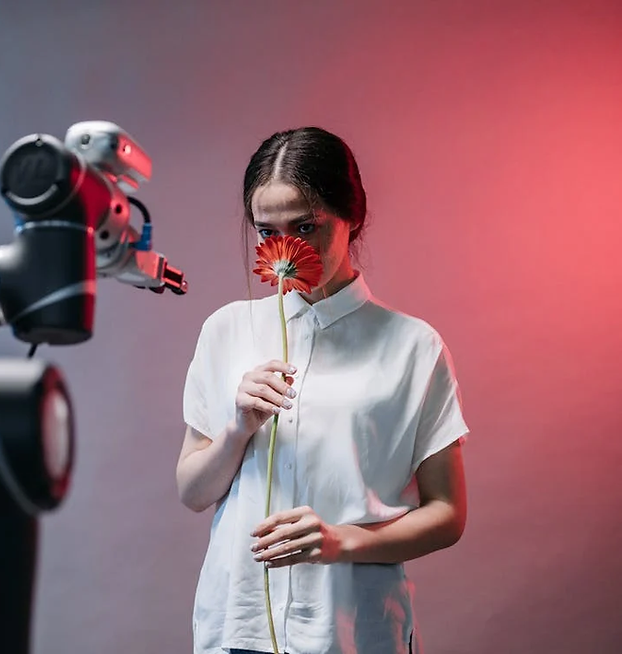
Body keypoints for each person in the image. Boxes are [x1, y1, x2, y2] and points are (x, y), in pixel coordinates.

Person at [176, 127, 468, 654]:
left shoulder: (413, 346)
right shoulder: (225, 330)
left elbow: (447, 512)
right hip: (236, 627)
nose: (285, 250)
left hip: (354, 630)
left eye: (306, 226)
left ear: (351, 215)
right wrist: (238, 429)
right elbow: (193, 492)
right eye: (267, 231)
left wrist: (342, 542)